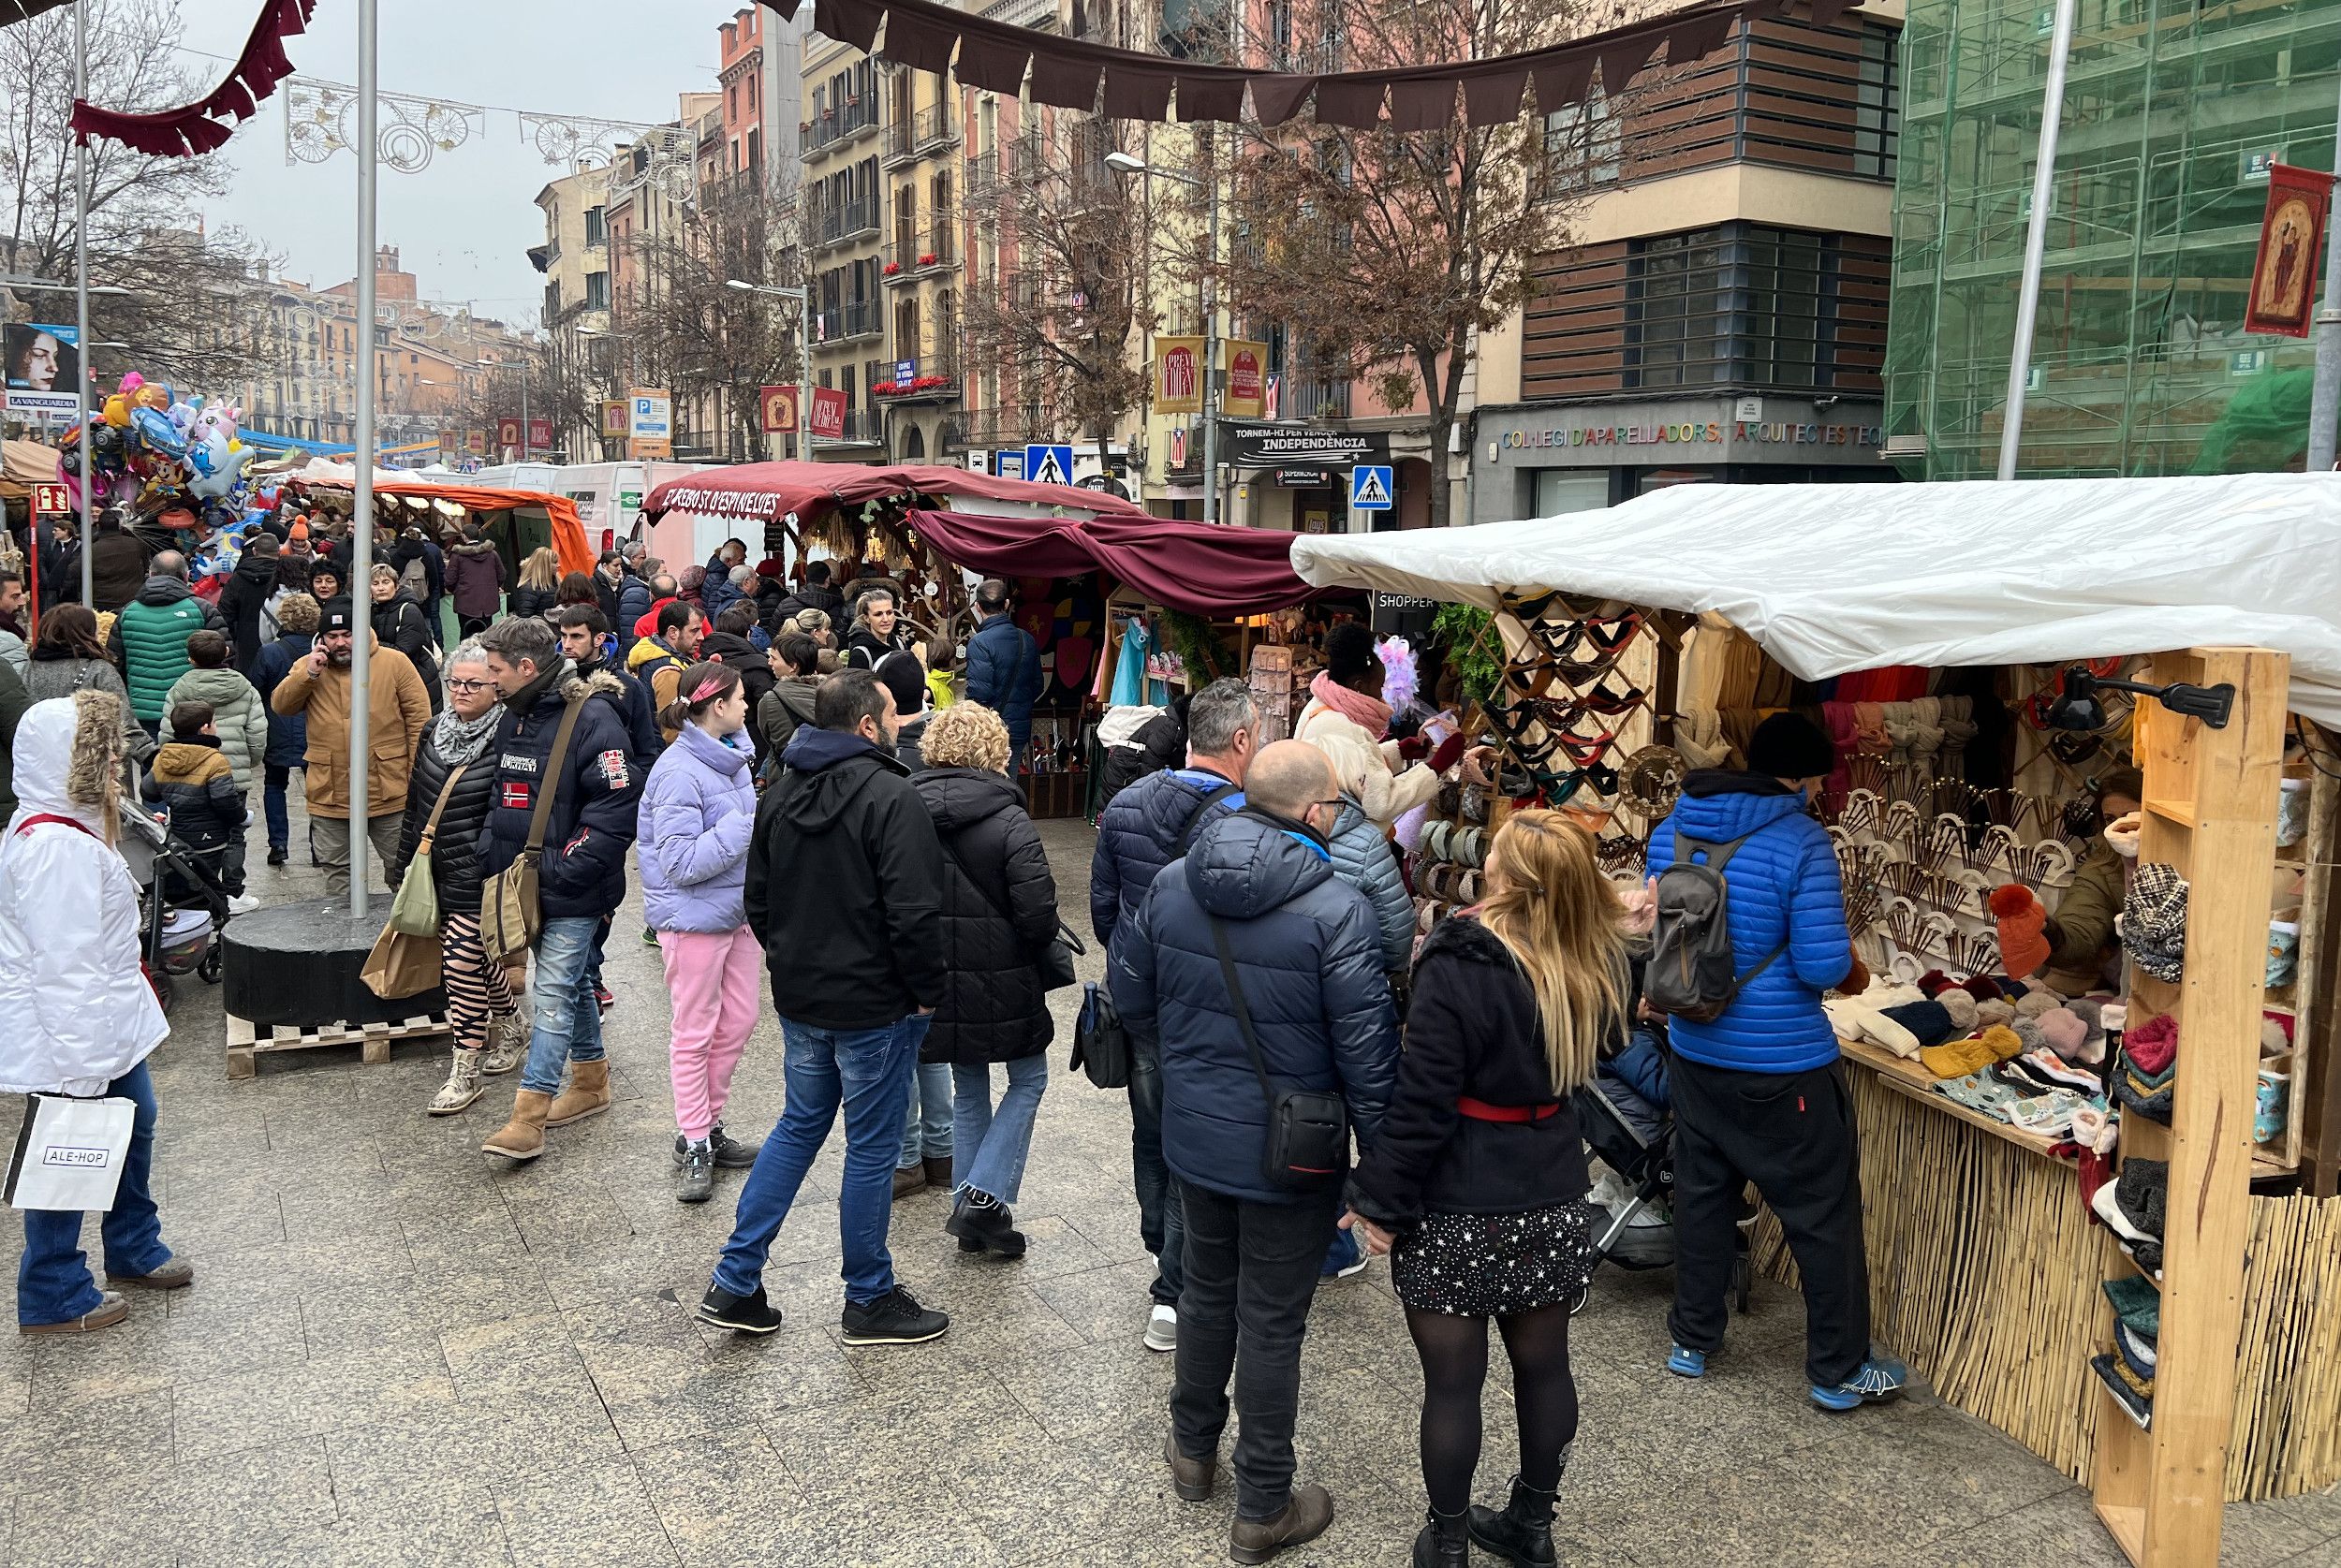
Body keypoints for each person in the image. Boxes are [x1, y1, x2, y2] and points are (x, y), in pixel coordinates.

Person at [1111, 740, 1398, 1564]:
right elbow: (1368, 1057)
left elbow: (1131, 998)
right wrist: (1381, 1172)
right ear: (1313, 813)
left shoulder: (1171, 883)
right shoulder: (1338, 908)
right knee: (1272, 1319)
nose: (1340, 815)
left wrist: (1199, 1065)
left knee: (1205, 1290)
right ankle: (1263, 1501)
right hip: (1293, 1150)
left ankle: (1192, 1452)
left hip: (1195, 1135)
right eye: (1338, 804)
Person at [1344, 811, 1629, 1568]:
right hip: (1552, 1186)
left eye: (1494, 855)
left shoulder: (1461, 958)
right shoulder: (1589, 953)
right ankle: (1533, 1530)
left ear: (1510, 877)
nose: (1484, 861)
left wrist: (1377, 1201)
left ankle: (1446, 1542)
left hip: (1459, 1197)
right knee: (1545, 1367)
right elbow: (1612, 1047)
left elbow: (1424, 1097)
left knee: (1452, 1385)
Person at [1645, 711, 1901, 1410]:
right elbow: (1821, 963)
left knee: (1701, 1197)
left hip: (1695, 1048)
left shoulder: (1675, 827)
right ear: (1796, 775)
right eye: (1817, 777)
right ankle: (1838, 1369)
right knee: (1821, 1212)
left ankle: (1692, 1339)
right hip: (1783, 1063)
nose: (1819, 790)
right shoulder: (1801, 840)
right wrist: (1853, 969)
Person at [698, 669, 950, 1346]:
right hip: (875, 1003)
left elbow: (760, 898)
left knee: (799, 1125)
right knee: (869, 1146)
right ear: (868, 724)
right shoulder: (894, 795)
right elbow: (916, 911)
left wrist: (791, 958)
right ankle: (868, 1296)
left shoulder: (778, 793)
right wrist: (927, 989)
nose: (903, 721)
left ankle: (735, 1277)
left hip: (806, 996)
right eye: (895, 711)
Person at [0, 692, 191, 1334]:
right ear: (68, 759)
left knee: (133, 1127)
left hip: (100, 1024)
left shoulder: (67, 827)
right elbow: (65, 963)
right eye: (98, 747)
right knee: (69, 1151)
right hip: (78, 1034)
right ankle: (53, 1289)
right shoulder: (56, 847)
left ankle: (133, 1245)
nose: (114, 756)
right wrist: (82, 1067)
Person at [1089, 676, 1259, 1351]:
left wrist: (1133, 956)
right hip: (1210, 1004)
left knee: (1150, 1129)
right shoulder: (1244, 820)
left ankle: (1163, 1250)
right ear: (1241, 738)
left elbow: (1103, 908)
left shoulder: (1128, 800)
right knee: (1194, 1144)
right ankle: (1176, 1288)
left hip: (1140, 996)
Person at [477, 616, 643, 1162]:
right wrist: (489, 850)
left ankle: (528, 1117)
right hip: (522, 883)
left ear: (527, 668)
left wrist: (563, 868)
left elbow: (617, 809)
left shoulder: (595, 718)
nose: (488, 680)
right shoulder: (514, 717)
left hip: (575, 886)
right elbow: (503, 793)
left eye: (496, 670)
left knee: (550, 993)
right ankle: (592, 1082)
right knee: (573, 983)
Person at [911, 702, 1059, 1259]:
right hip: (1008, 976)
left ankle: (970, 1212)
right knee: (1029, 1078)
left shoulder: (907, 810)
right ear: (994, 750)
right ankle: (983, 1196)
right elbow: (1038, 914)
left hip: (938, 978)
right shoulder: (1010, 817)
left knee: (968, 1088)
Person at [638, 661, 764, 1202]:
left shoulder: (732, 758)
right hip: (691, 919)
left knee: (738, 1020)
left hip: (736, 914)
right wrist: (744, 826)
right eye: (740, 698)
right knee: (694, 1031)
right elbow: (681, 863)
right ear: (718, 706)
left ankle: (708, 1127)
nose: (747, 706)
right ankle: (694, 1139)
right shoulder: (677, 771)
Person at [387, 640, 524, 1114]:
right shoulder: (433, 730)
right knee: (474, 957)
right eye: (455, 683)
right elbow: (416, 802)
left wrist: (490, 867)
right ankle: (512, 1025)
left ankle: (465, 1068)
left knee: (460, 965)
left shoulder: (511, 737)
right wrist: (403, 862)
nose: (461, 692)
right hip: (434, 869)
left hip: (480, 875)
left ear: (496, 688)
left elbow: (508, 815)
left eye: (474, 684)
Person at [268, 597, 432, 900]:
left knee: (404, 871)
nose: (341, 643)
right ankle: (343, 942)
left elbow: (420, 724)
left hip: (390, 790)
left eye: (347, 634)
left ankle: (404, 942)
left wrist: (416, 779)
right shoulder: (308, 666)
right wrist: (309, 674)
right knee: (337, 875)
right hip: (330, 793)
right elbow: (281, 705)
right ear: (323, 638)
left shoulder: (394, 662)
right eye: (333, 636)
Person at [1293, 623, 1456, 830]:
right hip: (1345, 845)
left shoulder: (1319, 704)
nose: (1382, 696)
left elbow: (1349, 769)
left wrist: (1396, 752)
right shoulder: (1345, 727)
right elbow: (1380, 802)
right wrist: (1435, 767)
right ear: (1359, 687)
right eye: (1379, 687)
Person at [2034, 766, 2142, 996]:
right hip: (2135, 991)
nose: (2120, 828)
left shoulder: (2193, 860)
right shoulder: (2104, 867)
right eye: (2111, 819)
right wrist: (2048, 931)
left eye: (2130, 817)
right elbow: (2080, 927)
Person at [141, 701, 255, 912]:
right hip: (212, 838)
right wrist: (243, 817)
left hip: (180, 835)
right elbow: (225, 801)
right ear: (204, 728)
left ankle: (194, 915)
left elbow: (148, 791)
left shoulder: (163, 757)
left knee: (191, 882)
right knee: (210, 883)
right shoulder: (214, 760)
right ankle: (214, 916)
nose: (215, 725)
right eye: (213, 722)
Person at [108, 550, 228, 738]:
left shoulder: (127, 612)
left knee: (154, 763)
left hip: (142, 708)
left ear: (151, 574)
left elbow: (115, 663)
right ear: (186, 575)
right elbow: (224, 657)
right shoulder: (203, 610)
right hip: (191, 708)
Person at [26, 604, 151, 766]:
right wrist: (151, 756)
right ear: (85, 632)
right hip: (94, 767)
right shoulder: (100, 670)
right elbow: (124, 723)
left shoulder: (29, 669)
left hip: (41, 761)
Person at [250, 593, 317, 867]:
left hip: (277, 725)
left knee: (274, 784)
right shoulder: (321, 651)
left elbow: (256, 686)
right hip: (314, 725)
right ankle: (319, 846)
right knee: (318, 788)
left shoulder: (270, 652)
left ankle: (278, 844)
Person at [162, 631, 268, 804]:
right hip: (232, 775)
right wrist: (247, 762)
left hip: (190, 776)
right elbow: (257, 734)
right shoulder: (247, 690)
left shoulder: (178, 691)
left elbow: (167, 734)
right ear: (226, 652)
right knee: (234, 827)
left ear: (191, 659)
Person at [556, 605, 661, 762]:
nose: (567, 644)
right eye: (564, 635)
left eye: (577, 636)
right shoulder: (552, 681)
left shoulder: (628, 686)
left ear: (599, 639)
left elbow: (646, 748)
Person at [963, 579, 1043, 774]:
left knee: (986, 785)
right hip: (1018, 727)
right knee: (1010, 779)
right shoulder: (1026, 638)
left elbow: (979, 694)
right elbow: (1038, 685)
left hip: (988, 731)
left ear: (977, 606)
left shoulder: (980, 643)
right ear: (1006, 604)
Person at [700, 603, 775, 757]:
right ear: (748, 634)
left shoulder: (704, 661)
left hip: (712, 740)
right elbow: (768, 713)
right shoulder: (759, 666)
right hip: (755, 744)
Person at [630, 599, 705, 741]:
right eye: (694, 630)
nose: (701, 637)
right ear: (673, 632)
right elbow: (672, 733)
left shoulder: (663, 654)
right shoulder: (667, 671)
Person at [371, 564, 442, 712]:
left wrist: (370, 644)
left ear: (396, 586)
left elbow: (404, 651)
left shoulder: (409, 610)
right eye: (375, 583)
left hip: (418, 679)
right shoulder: (371, 611)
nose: (381, 588)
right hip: (390, 680)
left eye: (386, 582)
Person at [212, 535, 279, 680]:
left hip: (245, 645)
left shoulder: (238, 578)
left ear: (254, 551)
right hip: (279, 643)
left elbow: (224, 613)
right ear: (278, 552)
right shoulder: (285, 577)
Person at [755, 633, 820, 767]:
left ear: (793, 666)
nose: (769, 662)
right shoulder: (830, 694)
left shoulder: (770, 700)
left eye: (774, 658)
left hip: (786, 773)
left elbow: (767, 736)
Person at [445, 525, 507, 637]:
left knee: (466, 637)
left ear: (464, 536)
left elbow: (449, 580)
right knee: (486, 638)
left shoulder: (457, 556)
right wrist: (492, 588)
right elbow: (502, 575)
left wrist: (457, 591)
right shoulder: (492, 554)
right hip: (487, 604)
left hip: (465, 603)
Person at [390, 523, 444, 640]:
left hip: (402, 596)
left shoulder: (396, 556)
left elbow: (392, 577)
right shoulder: (426, 555)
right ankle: (434, 646)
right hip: (424, 596)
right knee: (429, 621)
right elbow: (434, 578)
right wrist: (427, 592)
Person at [88, 510, 148, 613]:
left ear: (99, 527)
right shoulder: (137, 544)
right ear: (119, 526)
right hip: (131, 599)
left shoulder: (92, 548)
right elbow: (146, 565)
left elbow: (74, 570)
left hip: (102, 602)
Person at [845, 587, 912, 671]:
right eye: (878, 614)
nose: (885, 619)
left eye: (889, 613)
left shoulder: (900, 644)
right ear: (867, 618)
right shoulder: (860, 654)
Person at [508, 548, 562, 623]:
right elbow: (525, 619)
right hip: (540, 631)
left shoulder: (557, 583)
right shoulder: (529, 588)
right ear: (544, 565)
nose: (558, 565)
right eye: (555, 562)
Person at [702, 538, 748, 621]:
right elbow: (714, 609)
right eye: (740, 560)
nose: (743, 564)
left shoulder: (720, 573)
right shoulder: (719, 578)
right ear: (728, 561)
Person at [592, 550, 629, 628]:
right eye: (615, 565)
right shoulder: (594, 583)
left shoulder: (624, 580)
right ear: (605, 566)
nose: (619, 568)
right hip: (603, 628)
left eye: (620, 565)